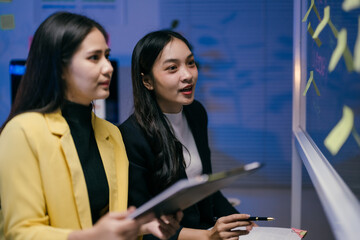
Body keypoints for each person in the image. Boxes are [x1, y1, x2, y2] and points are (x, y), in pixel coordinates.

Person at [0, 12, 182, 240]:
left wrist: (143, 227)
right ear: (60, 67)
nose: (108, 67)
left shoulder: (111, 133)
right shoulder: (22, 131)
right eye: (94, 58)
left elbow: (107, 222)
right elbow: (19, 233)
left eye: (107, 55)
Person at [119, 30, 255, 240]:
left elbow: (206, 188)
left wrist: (239, 221)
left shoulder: (195, 113)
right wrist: (207, 236)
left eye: (190, 63)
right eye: (172, 68)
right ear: (147, 81)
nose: (188, 75)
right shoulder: (131, 136)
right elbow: (142, 225)